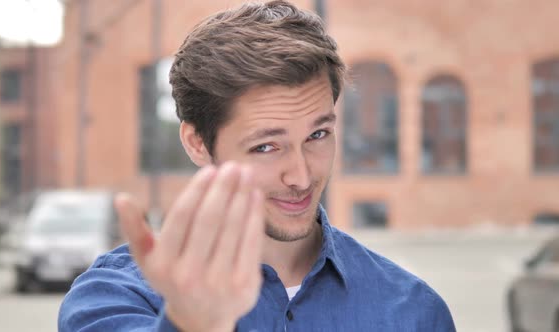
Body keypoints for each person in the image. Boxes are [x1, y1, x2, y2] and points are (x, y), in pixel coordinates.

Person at [59, 1, 456, 331]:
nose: (301, 176)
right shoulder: (113, 298)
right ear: (198, 143)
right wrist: (191, 323)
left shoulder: (412, 312)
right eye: (266, 146)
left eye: (317, 135)